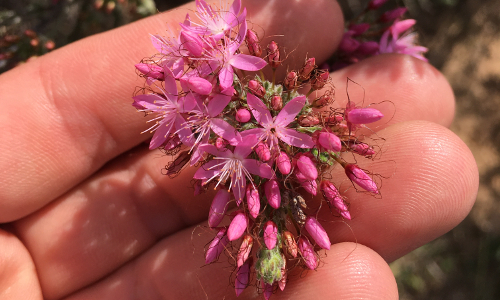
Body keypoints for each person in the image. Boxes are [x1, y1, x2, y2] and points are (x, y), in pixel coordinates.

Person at [0, 0, 478, 299]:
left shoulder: (262, 111)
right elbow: (243, 131)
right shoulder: (220, 108)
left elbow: (271, 128)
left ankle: (272, 236)